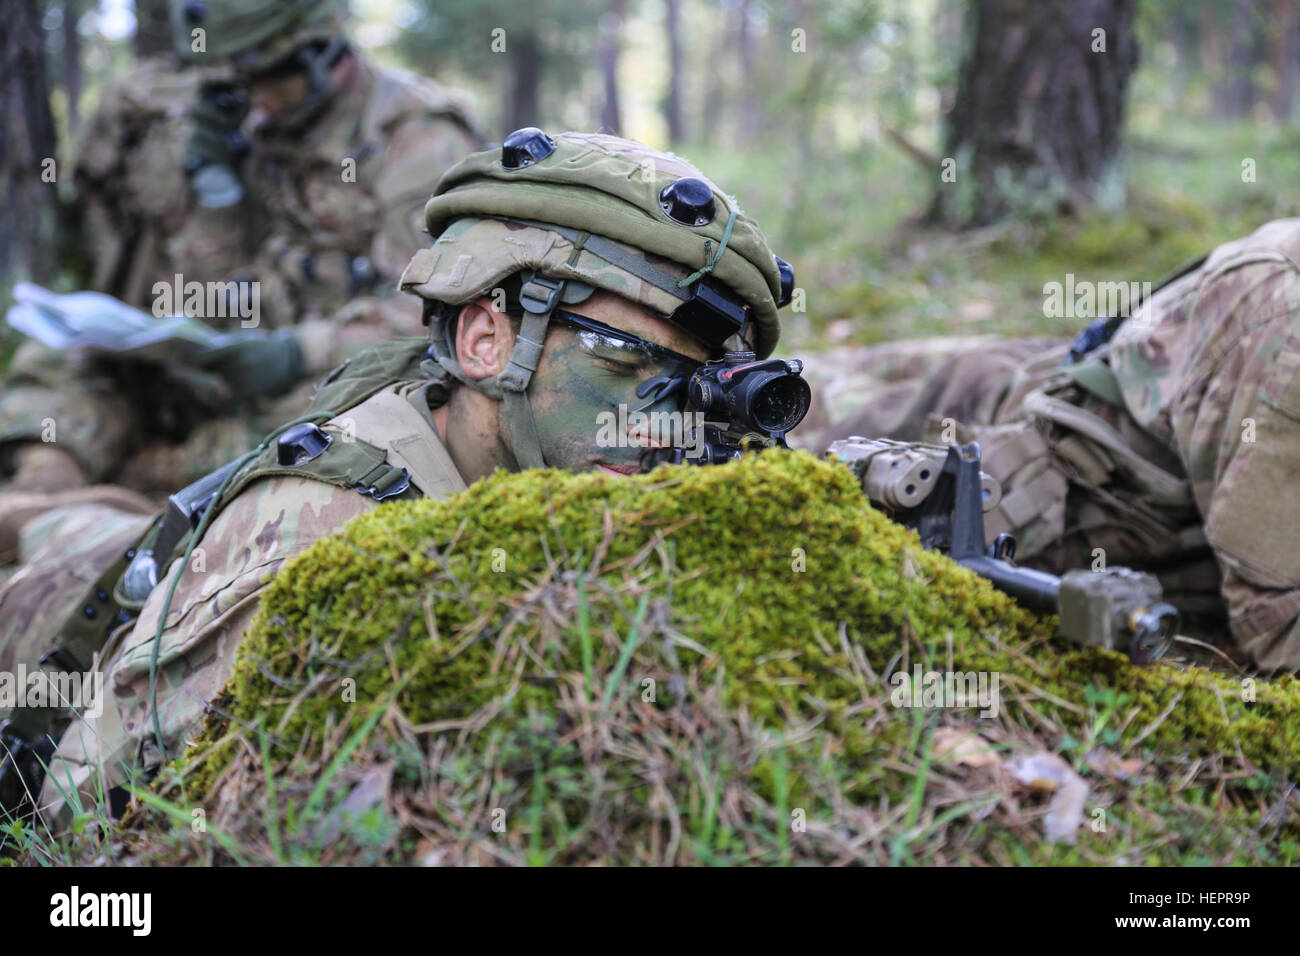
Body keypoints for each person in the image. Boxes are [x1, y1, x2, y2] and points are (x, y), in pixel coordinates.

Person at [0, 130, 796, 828]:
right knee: (58, 538)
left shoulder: (557, 453)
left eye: (689, 388)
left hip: (138, 537)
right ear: (487, 338)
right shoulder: (320, 552)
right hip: (48, 612)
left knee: (93, 522)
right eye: (624, 363)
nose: (665, 424)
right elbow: (85, 817)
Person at [0, 0, 482, 563]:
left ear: (322, 52)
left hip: (332, 378)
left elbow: (436, 310)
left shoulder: (415, 135)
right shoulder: (247, 123)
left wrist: (293, 351)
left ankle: (137, 504)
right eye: (241, 81)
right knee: (66, 356)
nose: (258, 99)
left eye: (271, 79)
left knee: (320, 432)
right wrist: (214, 197)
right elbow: (216, 292)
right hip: (230, 364)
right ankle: (44, 480)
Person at [791, 218, 1300, 673]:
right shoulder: (1288, 325)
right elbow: (1274, 621)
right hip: (1044, 472)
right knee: (767, 419)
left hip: (1071, 378)